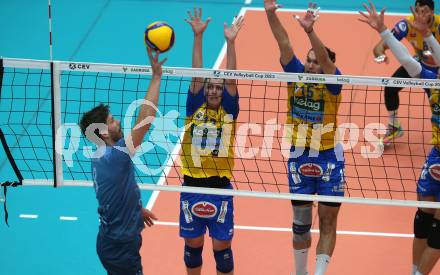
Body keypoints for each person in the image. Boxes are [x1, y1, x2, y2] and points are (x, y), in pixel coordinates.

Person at [264, 1, 345, 275]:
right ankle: (300, 272)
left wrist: (311, 32)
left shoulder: (334, 83)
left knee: (328, 221)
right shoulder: (295, 75)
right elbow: (284, 42)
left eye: (315, 61)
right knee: (300, 224)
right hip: (299, 155)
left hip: (329, 156)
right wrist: (270, 13)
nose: (310, 65)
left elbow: (326, 63)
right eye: (308, 60)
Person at [360, 2, 440, 274]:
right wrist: (383, 31)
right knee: (421, 221)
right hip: (437, 156)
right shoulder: (431, 80)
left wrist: (428, 34)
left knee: (438, 233)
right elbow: (407, 60)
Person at [79, 47, 165, 275]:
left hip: (113, 242)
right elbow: (145, 119)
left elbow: (118, 190)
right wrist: (156, 77)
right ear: (104, 132)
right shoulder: (115, 156)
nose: (117, 121)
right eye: (112, 120)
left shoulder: (101, 155)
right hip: (120, 248)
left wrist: (136, 208)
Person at [179, 8, 243, 275]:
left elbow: (231, 78)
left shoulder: (229, 110)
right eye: (210, 86)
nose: (214, 89)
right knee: (193, 252)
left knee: (223, 255)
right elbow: (196, 73)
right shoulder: (195, 106)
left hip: (220, 188)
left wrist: (231, 42)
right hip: (192, 185)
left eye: (218, 87)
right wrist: (198, 37)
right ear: (204, 90)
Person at [372, 0, 440, 146]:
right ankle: (394, 126)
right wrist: (380, 56)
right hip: (420, 65)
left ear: (432, 12)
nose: (419, 15)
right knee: (390, 88)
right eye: (417, 10)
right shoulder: (407, 25)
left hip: (438, 70)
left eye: (424, 11)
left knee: (436, 105)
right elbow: (379, 47)